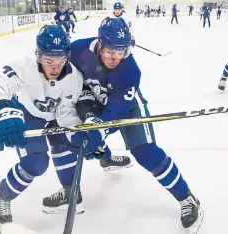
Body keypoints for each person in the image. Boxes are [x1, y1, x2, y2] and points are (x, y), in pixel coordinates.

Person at [44, 18, 204, 233]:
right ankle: (85, 176)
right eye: (111, 52)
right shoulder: (77, 50)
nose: (115, 58)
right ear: (99, 43)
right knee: (73, 135)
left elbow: (116, 111)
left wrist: (98, 131)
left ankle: (187, 198)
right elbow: (68, 79)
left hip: (127, 107)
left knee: (145, 151)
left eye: (122, 52)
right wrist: (88, 116)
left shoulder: (130, 71)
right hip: (91, 100)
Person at [0, 25, 105, 224]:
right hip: (28, 114)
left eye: (61, 60)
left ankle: (70, 193)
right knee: (36, 163)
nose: (55, 67)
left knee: (67, 146)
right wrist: (4, 111)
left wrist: (76, 131)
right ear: (38, 55)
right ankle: (3, 197)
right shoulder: (22, 68)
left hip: (54, 115)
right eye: (49, 61)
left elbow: (66, 110)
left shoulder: (74, 78)